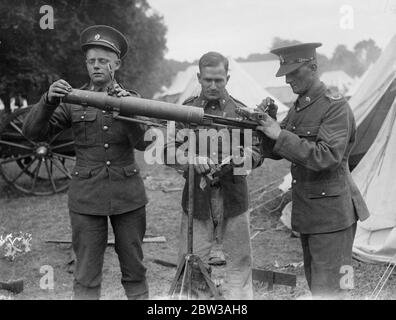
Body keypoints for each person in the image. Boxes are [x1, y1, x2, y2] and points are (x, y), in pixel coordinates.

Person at [22, 25, 151, 300]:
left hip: (127, 197)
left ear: (116, 64)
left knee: (135, 270)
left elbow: (144, 143)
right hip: (86, 199)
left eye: (103, 61)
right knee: (86, 274)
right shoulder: (72, 101)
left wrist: (125, 109)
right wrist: (47, 100)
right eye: (91, 61)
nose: (96, 66)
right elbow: (32, 133)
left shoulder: (133, 100)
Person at [256, 43, 370, 299]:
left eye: (295, 72)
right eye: (286, 73)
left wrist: (280, 134)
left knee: (333, 291)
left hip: (332, 218)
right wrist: (265, 127)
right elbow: (278, 149)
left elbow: (327, 157)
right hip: (310, 215)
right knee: (319, 287)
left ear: (314, 68)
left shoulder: (334, 106)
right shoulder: (300, 106)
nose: (288, 79)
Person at [165, 52, 271, 299]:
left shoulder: (243, 113)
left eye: (219, 80)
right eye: (208, 80)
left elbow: (257, 152)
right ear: (199, 77)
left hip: (234, 196)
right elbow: (167, 150)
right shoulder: (184, 111)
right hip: (196, 198)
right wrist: (190, 158)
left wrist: (242, 157)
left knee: (239, 261)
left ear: (228, 78)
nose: (213, 86)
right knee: (193, 261)